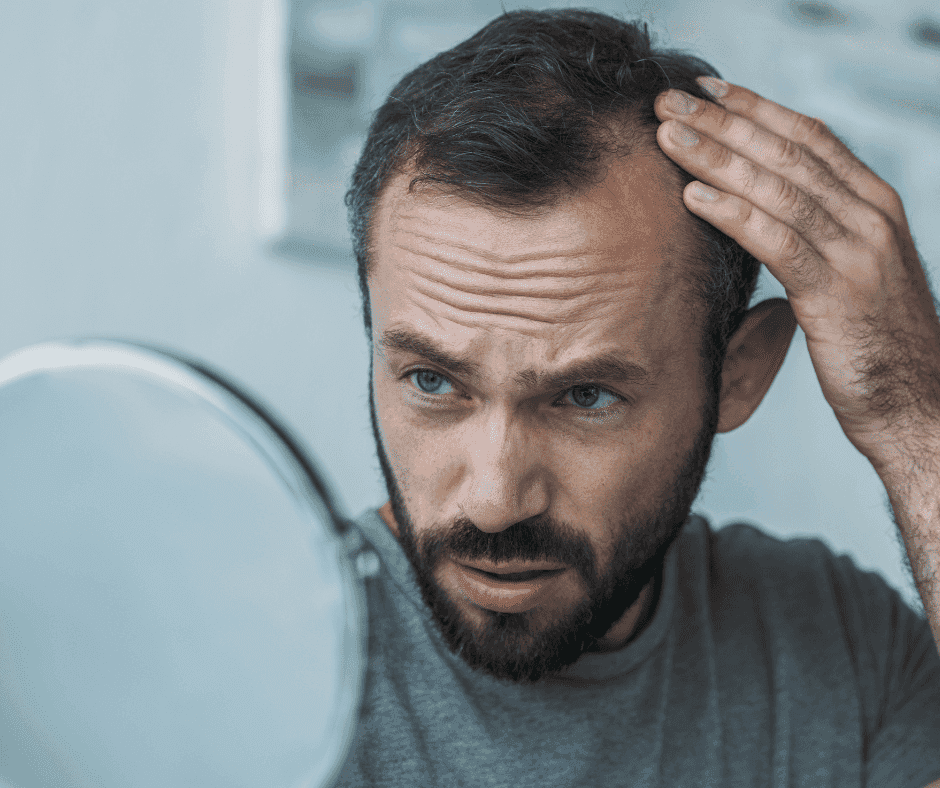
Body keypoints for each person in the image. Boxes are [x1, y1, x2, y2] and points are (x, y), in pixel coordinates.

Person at [333, 8, 940, 786]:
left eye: (585, 396)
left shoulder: (838, 646)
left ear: (739, 374)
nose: (493, 502)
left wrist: (911, 413)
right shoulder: (254, 666)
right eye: (433, 382)